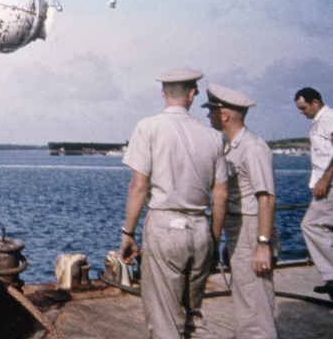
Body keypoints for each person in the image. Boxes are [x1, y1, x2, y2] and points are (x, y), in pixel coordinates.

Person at [119, 68, 228, 338]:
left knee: (166, 321)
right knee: (193, 317)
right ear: (192, 94)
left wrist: (128, 234)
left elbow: (139, 186)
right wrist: (213, 240)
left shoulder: (149, 127)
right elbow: (222, 194)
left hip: (165, 227)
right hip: (201, 229)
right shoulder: (213, 136)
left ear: (162, 93)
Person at [204, 84, 278, 338]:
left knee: (257, 307)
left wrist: (262, 244)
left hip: (252, 228)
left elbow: (266, 198)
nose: (208, 115)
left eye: (212, 110)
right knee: (246, 302)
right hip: (240, 229)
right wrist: (231, 242)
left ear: (224, 115)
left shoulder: (253, 148)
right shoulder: (231, 147)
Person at [294, 87, 333, 299]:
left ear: (315, 102)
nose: (302, 112)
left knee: (311, 224)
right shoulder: (318, 121)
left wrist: (326, 179)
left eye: (303, 107)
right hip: (326, 183)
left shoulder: (329, 118)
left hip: (331, 184)